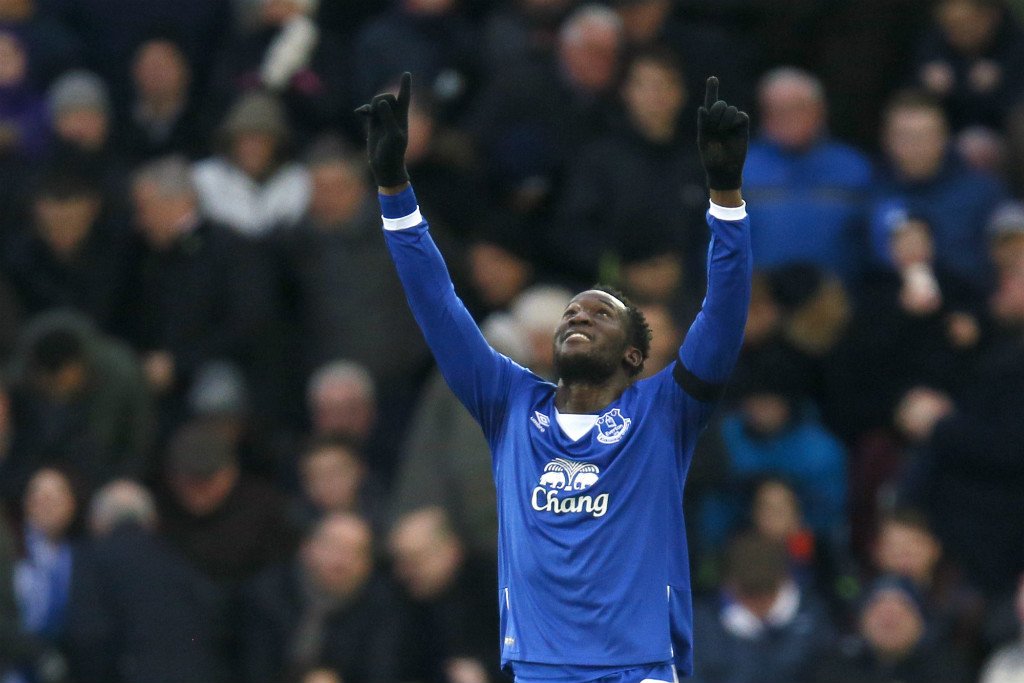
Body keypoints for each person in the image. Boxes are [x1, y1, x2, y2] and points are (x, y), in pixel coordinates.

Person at [357, 73, 751, 681]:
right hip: (538, 669)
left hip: (639, 668)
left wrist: (725, 198)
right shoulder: (509, 405)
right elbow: (436, 303)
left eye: (601, 313)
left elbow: (722, 315)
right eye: (572, 312)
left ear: (633, 357)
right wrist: (393, 191)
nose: (579, 315)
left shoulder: (664, 411)